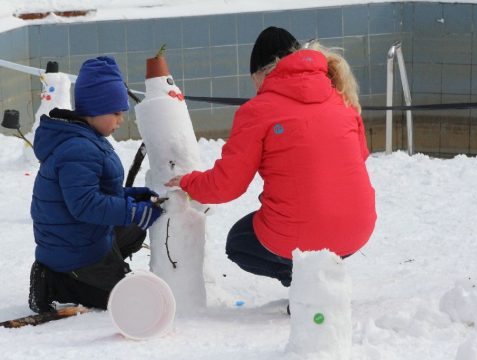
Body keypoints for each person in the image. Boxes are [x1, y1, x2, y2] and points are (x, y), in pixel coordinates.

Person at [165, 26, 376, 288]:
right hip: (357, 230)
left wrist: (188, 182)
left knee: (239, 242)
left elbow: (227, 185)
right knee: (309, 227)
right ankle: (321, 276)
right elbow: (359, 156)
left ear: (261, 73)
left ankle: (306, 285)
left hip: (300, 236)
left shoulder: (258, 111)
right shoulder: (342, 98)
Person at [29, 56, 162, 313]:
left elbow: (97, 192)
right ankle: (60, 283)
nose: (121, 119)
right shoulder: (78, 149)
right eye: (115, 112)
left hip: (80, 238)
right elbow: (85, 204)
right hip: (70, 253)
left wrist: (133, 196)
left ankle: (99, 270)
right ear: (94, 110)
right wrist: (130, 209)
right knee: (128, 297)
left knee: (135, 226)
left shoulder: (86, 138)